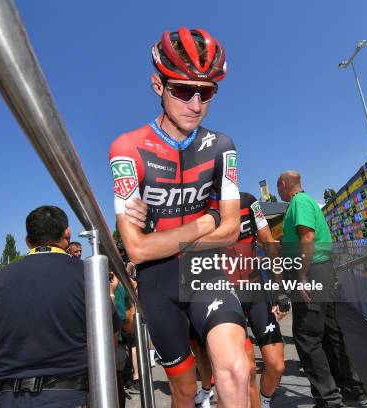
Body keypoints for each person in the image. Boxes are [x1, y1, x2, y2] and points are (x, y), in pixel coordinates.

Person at [110, 27, 249, 407]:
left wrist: (169, 239)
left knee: (237, 369)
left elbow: (231, 231)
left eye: (207, 92)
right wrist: (204, 223)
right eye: (184, 90)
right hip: (158, 285)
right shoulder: (127, 148)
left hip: (205, 272)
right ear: (158, 85)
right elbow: (136, 249)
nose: (196, 103)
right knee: (186, 390)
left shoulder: (222, 147)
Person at [0, 205, 125, 408]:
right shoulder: (87, 275)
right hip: (67, 396)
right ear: (67, 233)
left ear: (28, 241)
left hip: (3, 399)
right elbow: (109, 339)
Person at [277, 171, 367, 408]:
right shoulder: (304, 202)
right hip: (321, 270)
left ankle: (328, 399)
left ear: (284, 184)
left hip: (313, 271)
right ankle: (352, 390)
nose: (278, 192)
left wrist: (302, 275)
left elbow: (307, 237)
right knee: (329, 332)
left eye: (279, 188)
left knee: (307, 336)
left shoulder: (298, 202)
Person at [191, 192, 288, 408]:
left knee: (276, 364)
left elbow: (268, 242)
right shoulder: (201, 208)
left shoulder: (249, 202)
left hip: (254, 290)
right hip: (225, 295)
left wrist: (280, 290)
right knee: (248, 369)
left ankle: (263, 400)